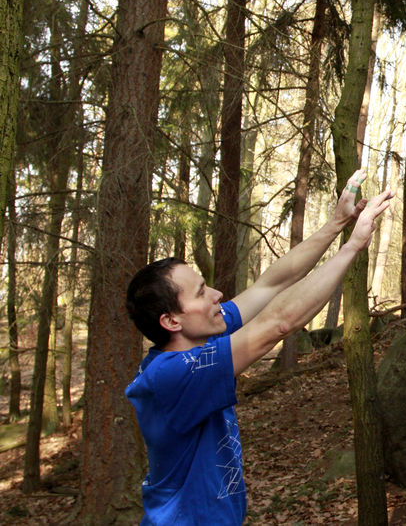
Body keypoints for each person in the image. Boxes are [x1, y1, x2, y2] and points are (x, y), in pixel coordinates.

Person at [124, 170, 392, 525]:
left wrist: (337, 223)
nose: (217, 295)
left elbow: (272, 284)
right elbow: (278, 323)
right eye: (202, 291)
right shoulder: (175, 374)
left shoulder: (203, 337)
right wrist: (352, 246)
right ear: (172, 321)